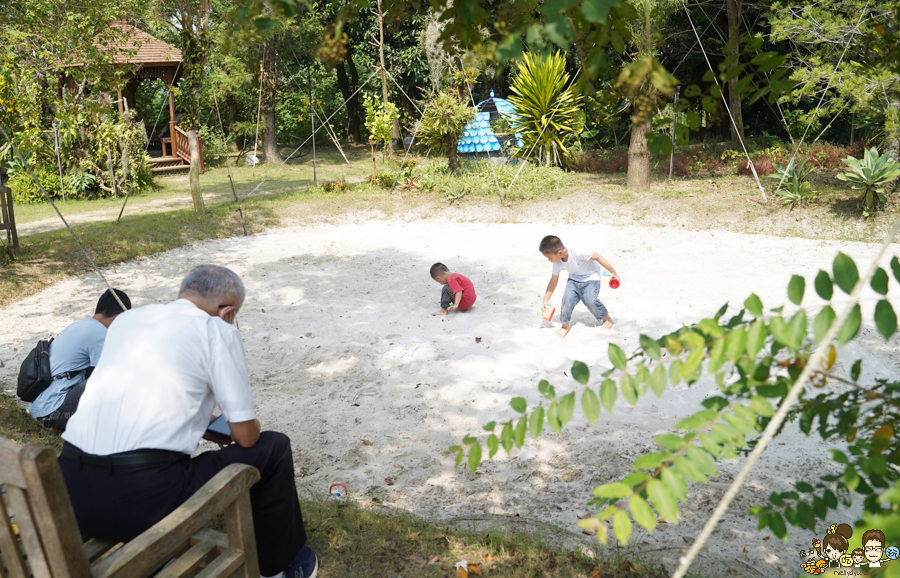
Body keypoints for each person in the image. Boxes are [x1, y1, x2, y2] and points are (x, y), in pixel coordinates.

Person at [59, 265, 317, 578]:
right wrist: (237, 426)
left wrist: (197, 418)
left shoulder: (127, 320)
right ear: (227, 312)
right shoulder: (218, 331)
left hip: (70, 495)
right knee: (274, 446)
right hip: (141, 504)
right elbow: (246, 437)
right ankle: (276, 568)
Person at [28, 289, 131, 431]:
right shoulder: (99, 333)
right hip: (54, 410)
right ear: (119, 316)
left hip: (41, 408)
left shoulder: (78, 326)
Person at [538, 235, 619, 338]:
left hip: (591, 277)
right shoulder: (557, 263)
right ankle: (564, 326)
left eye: (550, 257)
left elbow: (598, 257)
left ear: (560, 252)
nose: (549, 260)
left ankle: (606, 318)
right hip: (574, 279)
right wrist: (545, 299)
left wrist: (613, 272)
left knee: (590, 300)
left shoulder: (578, 252)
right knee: (567, 300)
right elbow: (553, 281)